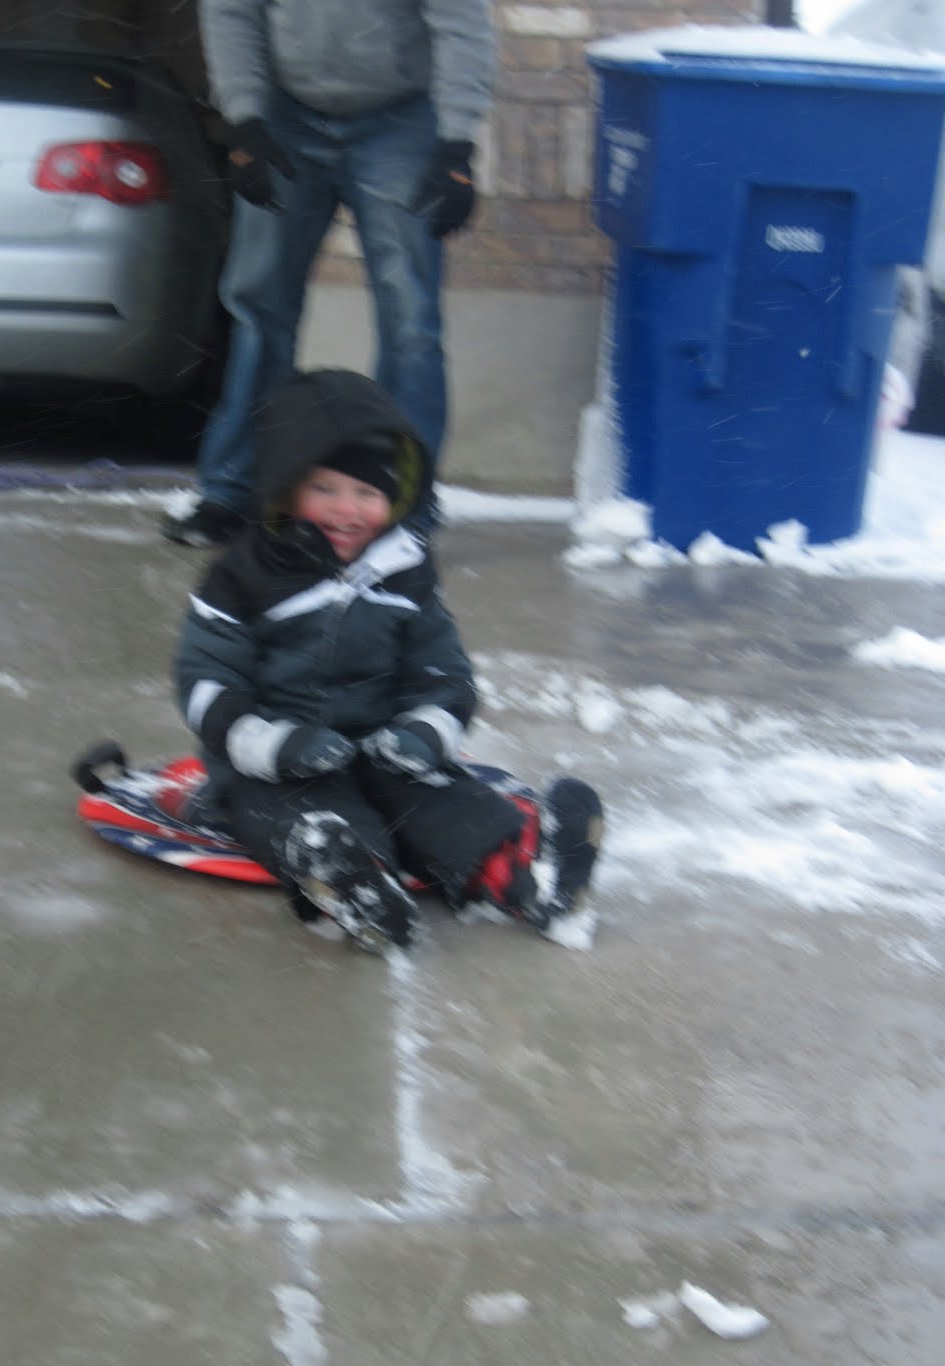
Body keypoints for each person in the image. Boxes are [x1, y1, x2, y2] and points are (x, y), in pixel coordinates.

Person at [173, 368, 604, 952]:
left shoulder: (405, 570)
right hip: (274, 760)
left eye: (367, 493)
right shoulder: (244, 576)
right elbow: (207, 679)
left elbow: (442, 672)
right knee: (294, 813)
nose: (347, 510)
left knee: (442, 802)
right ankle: (354, 881)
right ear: (284, 487)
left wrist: (423, 734)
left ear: (395, 496)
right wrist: (273, 744)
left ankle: (529, 873)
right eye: (325, 488)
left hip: (383, 750)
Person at [162, 0, 495, 548]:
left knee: (411, 321)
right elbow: (232, 12)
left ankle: (404, 502)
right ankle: (231, 491)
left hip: (399, 121)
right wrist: (245, 121)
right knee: (258, 307)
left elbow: (461, 24)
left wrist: (457, 145)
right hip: (284, 116)